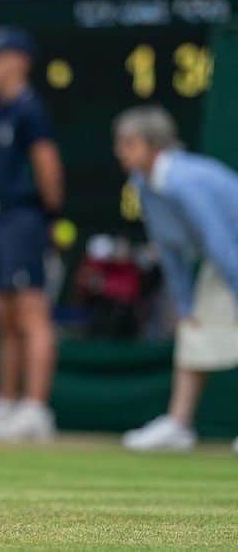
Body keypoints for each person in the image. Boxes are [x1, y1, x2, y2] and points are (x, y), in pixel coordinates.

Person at [113, 106, 238, 454]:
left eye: (128, 142)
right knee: (195, 328)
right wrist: (183, 303)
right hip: (225, 256)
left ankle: (179, 422)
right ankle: (179, 425)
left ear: (153, 145)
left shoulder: (184, 180)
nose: (120, 150)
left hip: (230, 252)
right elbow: (169, 249)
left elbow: (218, 239)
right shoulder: (143, 184)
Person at [0, 26, 64, 442]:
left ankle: (36, 407)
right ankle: (9, 402)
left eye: (1, 56)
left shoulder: (31, 110)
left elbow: (47, 163)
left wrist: (47, 215)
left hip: (27, 219)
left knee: (32, 314)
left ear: (20, 61)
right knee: (6, 315)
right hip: (6, 219)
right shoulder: (0, 109)